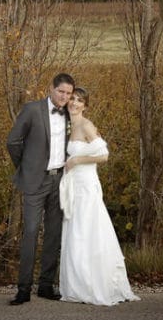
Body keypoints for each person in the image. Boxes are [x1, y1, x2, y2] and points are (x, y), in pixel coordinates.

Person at [58, 87, 140, 305]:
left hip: (86, 185)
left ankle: (95, 285)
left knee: (88, 232)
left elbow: (103, 155)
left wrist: (77, 160)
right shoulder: (67, 124)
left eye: (79, 101)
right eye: (72, 99)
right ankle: (77, 286)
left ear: (86, 105)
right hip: (73, 186)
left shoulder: (86, 125)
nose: (74, 103)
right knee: (75, 233)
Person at [6, 72, 75, 305]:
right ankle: (23, 289)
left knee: (54, 234)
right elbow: (13, 141)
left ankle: (46, 285)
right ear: (51, 89)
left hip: (60, 181)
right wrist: (26, 167)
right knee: (31, 232)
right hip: (35, 181)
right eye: (61, 92)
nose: (64, 97)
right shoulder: (32, 110)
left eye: (68, 93)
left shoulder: (70, 113)